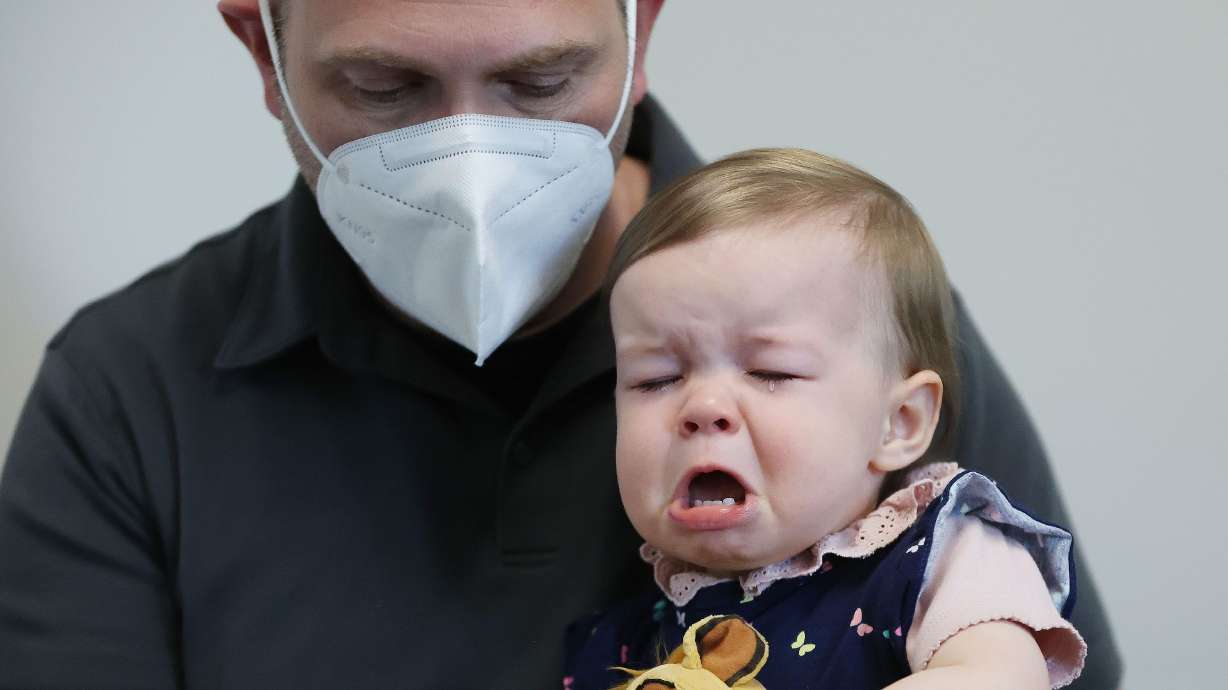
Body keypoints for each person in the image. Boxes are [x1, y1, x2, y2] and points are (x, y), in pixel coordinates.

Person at [0, 2, 1120, 689]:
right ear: (263, 48)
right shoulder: (128, 393)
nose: (471, 168)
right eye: (384, 87)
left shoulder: (845, 322)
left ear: (642, 30)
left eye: (542, 83)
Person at [565, 148, 1085, 689]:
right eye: (657, 379)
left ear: (900, 423)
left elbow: (997, 677)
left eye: (770, 371)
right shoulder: (622, 638)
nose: (702, 408)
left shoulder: (942, 560)